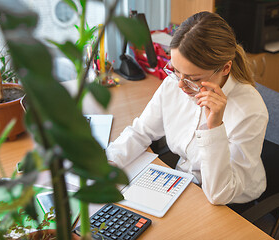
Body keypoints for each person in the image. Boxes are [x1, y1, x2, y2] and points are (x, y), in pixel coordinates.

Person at [106, 12, 268, 205]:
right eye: (175, 70)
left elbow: (220, 194)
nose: (181, 85)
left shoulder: (249, 110)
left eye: (194, 79)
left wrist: (214, 126)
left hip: (231, 203)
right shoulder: (174, 83)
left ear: (225, 68)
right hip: (184, 183)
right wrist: (108, 163)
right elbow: (142, 131)